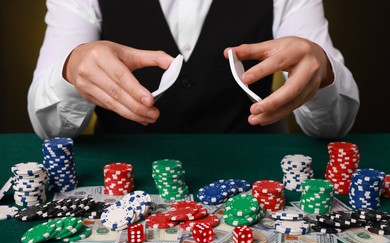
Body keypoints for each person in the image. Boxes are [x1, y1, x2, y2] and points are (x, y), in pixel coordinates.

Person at [28, 0, 359, 140]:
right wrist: (71, 71)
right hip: (127, 179)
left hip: (253, 175)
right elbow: (50, 130)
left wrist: (323, 73)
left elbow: (332, 129)